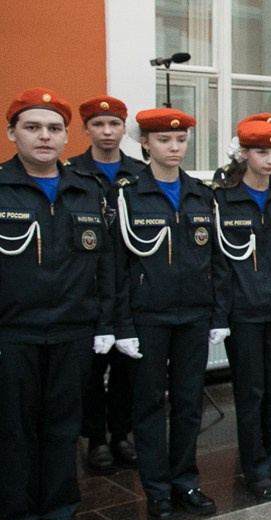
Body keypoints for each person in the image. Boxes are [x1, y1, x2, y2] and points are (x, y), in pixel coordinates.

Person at [0, 88, 112, 520]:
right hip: (14, 332)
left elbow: (105, 265)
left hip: (72, 328)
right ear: (12, 133)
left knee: (64, 426)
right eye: (32, 127)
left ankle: (60, 514)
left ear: (67, 136)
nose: (43, 136)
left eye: (53, 128)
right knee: (15, 429)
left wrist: (103, 324)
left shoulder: (87, 190)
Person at [112, 107, 219, 520]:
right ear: (145, 143)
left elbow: (214, 260)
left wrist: (214, 312)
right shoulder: (128, 194)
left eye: (180, 140)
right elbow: (117, 266)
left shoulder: (199, 193)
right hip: (148, 316)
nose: (174, 148)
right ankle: (156, 490)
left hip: (193, 313)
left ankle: (185, 482)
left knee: (190, 403)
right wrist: (122, 324)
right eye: (163, 140)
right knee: (150, 406)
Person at [210, 119, 271, 500]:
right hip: (244, 312)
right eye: (261, 152)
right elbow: (218, 264)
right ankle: (255, 469)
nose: (269, 160)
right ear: (244, 154)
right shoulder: (223, 199)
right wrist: (221, 314)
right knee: (251, 393)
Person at [69, 95, 145, 475]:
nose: (107, 131)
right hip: (89, 285)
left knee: (127, 369)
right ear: (86, 130)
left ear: (123, 128)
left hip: (132, 283)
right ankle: (95, 438)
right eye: (98, 124)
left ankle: (121, 434)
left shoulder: (138, 173)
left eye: (114, 124)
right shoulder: (72, 172)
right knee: (90, 371)